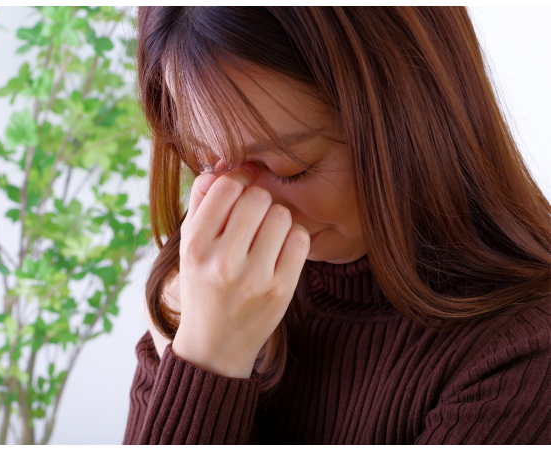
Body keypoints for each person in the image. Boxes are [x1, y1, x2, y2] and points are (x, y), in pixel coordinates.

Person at [123, 7, 551, 445]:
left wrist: (207, 362)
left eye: (290, 168)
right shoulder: (211, 290)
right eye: (206, 161)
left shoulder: (523, 351)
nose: (241, 206)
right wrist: (203, 354)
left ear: (414, 122)